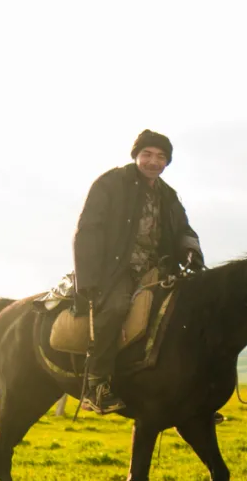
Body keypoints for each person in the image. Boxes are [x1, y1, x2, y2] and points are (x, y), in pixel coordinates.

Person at [72, 129, 205, 413]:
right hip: (116, 268)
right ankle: (96, 385)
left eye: (161, 156)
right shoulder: (111, 183)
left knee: (188, 310)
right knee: (116, 308)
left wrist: (191, 251)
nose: (153, 161)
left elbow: (183, 229)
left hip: (158, 268)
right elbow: (88, 231)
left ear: (167, 162)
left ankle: (191, 390)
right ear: (136, 155)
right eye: (147, 154)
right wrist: (89, 280)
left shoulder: (168, 195)